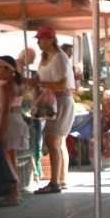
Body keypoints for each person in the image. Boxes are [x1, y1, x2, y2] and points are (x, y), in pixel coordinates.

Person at [27, 26, 73, 194]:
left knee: (52, 142)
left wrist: (40, 84)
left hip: (61, 101)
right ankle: (60, 180)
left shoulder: (60, 58)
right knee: (57, 143)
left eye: (41, 39)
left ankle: (55, 182)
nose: (38, 42)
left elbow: (62, 83)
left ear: (51, 40)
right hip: (53, 101)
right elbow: (40, 78)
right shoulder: (45, 57)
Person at [0, 55, 30, 206]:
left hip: (9, 122)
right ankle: (15, 192)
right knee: (12, 159)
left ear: (7, 70)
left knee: (9, 161)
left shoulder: (6, 86)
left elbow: (5, 111)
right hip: (16, 120)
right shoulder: (17, 84)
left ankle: (13, 194)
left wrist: (1, 132)